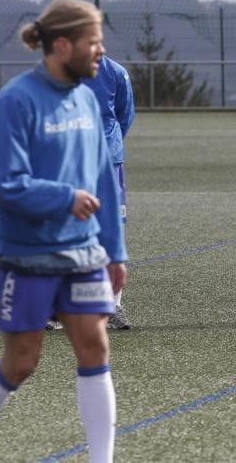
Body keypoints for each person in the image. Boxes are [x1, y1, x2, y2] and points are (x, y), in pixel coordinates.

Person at [0, 0, 127, 463]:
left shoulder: (87, 95)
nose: (100, 52)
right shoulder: (14, 101)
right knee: (21, 362)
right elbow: (1, 181)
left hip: (84, 254)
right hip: (28, 256)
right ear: (62, 45)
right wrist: (64, 197)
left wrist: (115, 250)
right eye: (93, 42)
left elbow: (103, 177)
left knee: (94, 346)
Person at [82, 54, 135, 330]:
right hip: (74, 158)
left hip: (110, 160)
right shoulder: (63, 71)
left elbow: (126, 114)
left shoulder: (116, 71)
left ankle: (113, 304)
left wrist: (111, 142)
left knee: (112, 229)